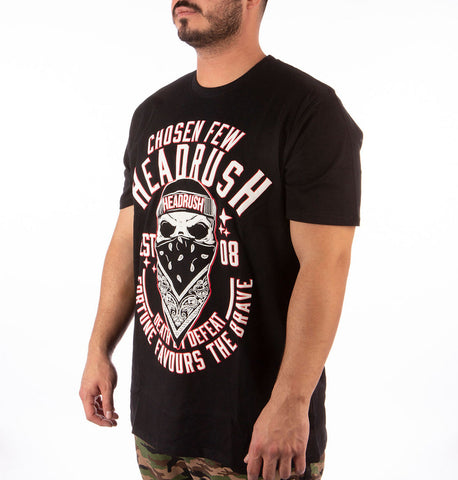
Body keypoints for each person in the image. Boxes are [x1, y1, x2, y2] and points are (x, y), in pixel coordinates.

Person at [79, 1, 363, 480]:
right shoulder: (152, 114)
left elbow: (326, 265)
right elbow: (129, 238)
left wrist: (291, 403)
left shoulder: (308, 110)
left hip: (260, 435)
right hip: (158, 423)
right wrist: (98, 348)